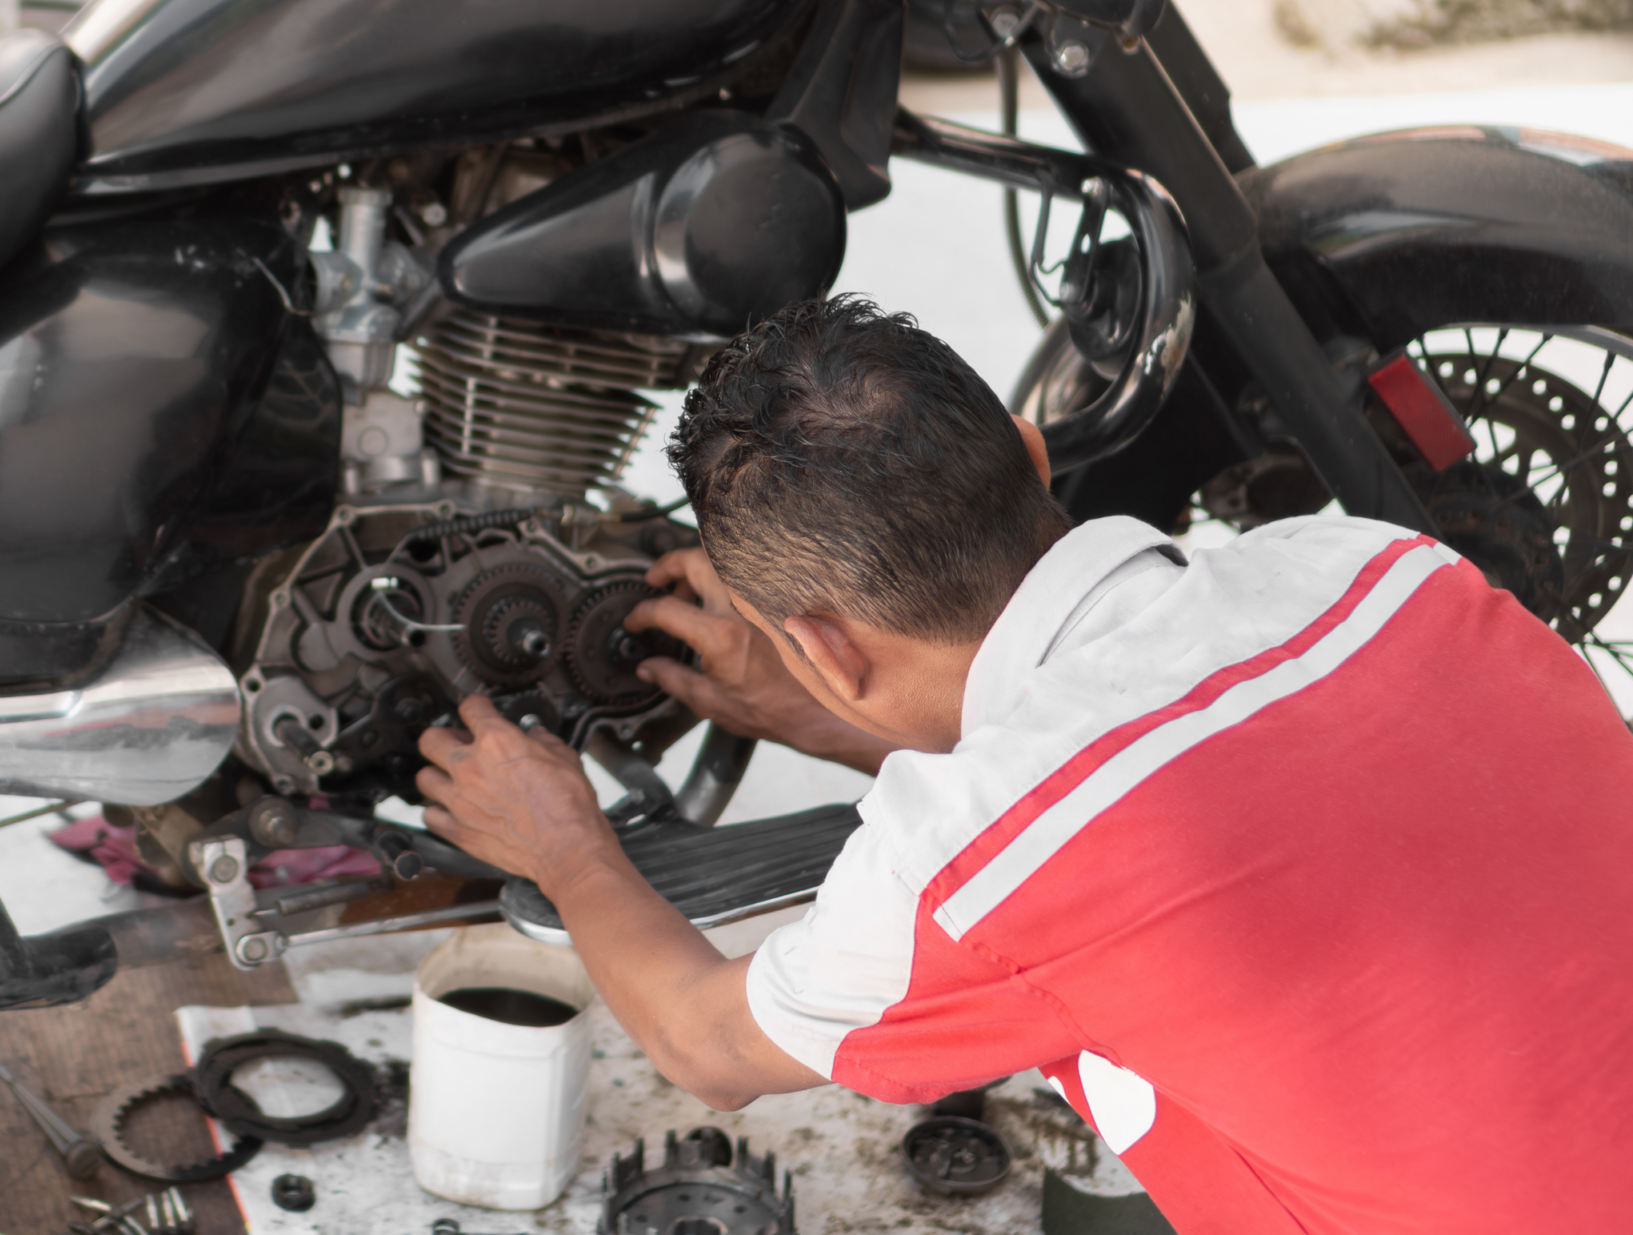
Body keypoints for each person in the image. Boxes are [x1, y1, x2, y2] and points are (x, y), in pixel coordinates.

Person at [413, 296, 1633, 1232]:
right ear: (1032, 456)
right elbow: (1184, 775)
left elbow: (703, 1046)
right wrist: (831, 721)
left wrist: (561, 842)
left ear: (822, 645)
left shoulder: (969, 872)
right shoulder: (1372, 564)